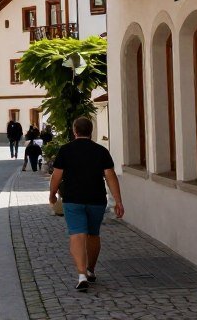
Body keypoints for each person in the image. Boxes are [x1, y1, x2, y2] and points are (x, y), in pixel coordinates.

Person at [49, 117, 124, 292]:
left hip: (73, 199)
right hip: (96, 199)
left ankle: (81, 274)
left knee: (77, 235)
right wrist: (118, 200)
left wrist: (52, 194)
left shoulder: (65, 150)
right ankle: (90, 269)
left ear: (75, 130)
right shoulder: (101, 151)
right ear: (91, 131)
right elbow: (110, 176)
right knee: (93, 234)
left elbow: (57, 175)